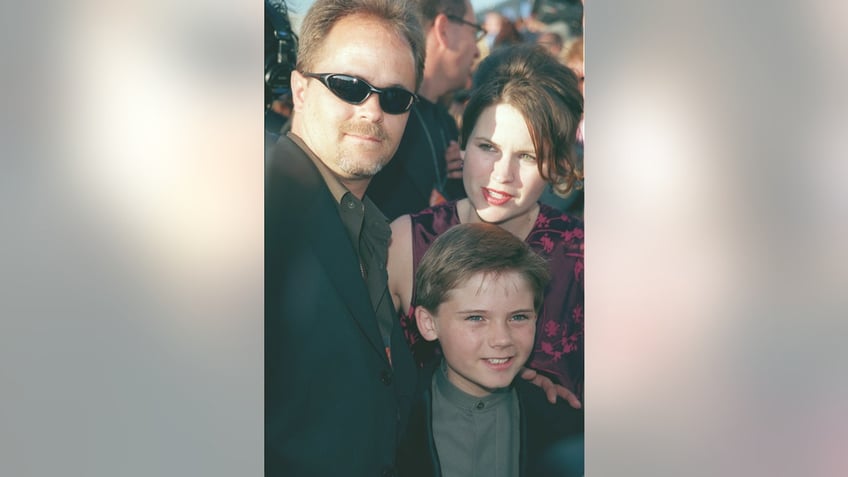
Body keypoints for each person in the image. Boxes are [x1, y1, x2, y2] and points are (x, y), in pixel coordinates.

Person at [264, 0, 425, 475]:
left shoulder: (372, 227)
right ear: (299, 89)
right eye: (349, 87)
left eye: (395, 98)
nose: (373, 110)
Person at [388, 44, 585, 402]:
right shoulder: (406, 242)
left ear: (555, 165)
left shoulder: (582, 256)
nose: (501, 174)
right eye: (488, 148)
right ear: (462, 145)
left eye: (527, 156)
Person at [395, 223, 584, 477]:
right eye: (476, 318)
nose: (501, 339)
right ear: (429, 324)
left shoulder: (565, 426)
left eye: (518, 317)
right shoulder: (393, 420)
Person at [366, 0, 483, 220]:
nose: (477, 50)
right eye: (475, 32)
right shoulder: (382, 114)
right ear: (444, 29)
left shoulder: (443, 122)